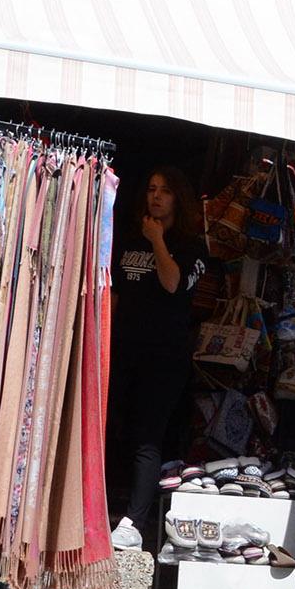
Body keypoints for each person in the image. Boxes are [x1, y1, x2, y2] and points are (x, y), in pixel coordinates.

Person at [107, 167, 208, 551]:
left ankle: (134, 520)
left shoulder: (190, 246)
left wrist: (158, 241)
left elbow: (172, 283)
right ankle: (104, 508)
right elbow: (115, 293)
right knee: (115, 427)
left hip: (163, 358)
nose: (156, 196)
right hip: (123, 351)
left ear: (178, 199)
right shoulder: (130, 239)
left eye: (165, 191)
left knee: (147, 438)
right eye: (151, 189)